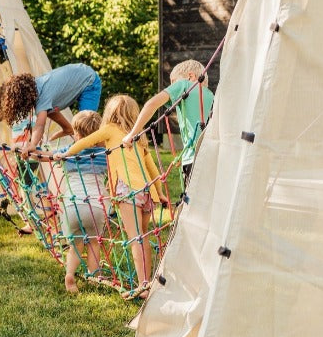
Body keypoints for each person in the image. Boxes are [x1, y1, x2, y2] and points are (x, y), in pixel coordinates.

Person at [56, 94, 164, 299]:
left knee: (135, 239)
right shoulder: (138, 135)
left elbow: (85, 142)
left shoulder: (110, 129)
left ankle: (143, 286)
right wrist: (159, 191)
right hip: (146, 191)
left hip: (126, 189)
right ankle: (147, 281)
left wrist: (65, 154)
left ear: (110, 113)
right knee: (144, 236)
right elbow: (151, 167)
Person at [0, 63, 101, 155]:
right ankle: (68, 129)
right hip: (78, 74)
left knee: (87, 127)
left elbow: (40, 125)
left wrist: (32, 145)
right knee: (46, 110)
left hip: (89, 82)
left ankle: (101, 156)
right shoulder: (31, 89)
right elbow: (3, 112)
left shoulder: (42, 95)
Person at [122, 59, 214, 186]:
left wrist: (132, 134)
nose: (171, 87)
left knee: (192, 203)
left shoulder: (184, 85)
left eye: (173, 83)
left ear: (191, 76)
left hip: (193, 159)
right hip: (214, 158)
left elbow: (151, 104)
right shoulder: (212, 96)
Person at [52, 110, 109, 294]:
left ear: (76, 134)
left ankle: (70, 274)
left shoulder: (68, 153)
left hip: (71, 206)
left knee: (75, 245)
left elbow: (50, 155)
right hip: (95, 207)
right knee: (93, 243)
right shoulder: (104, 154)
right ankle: (94, 277)